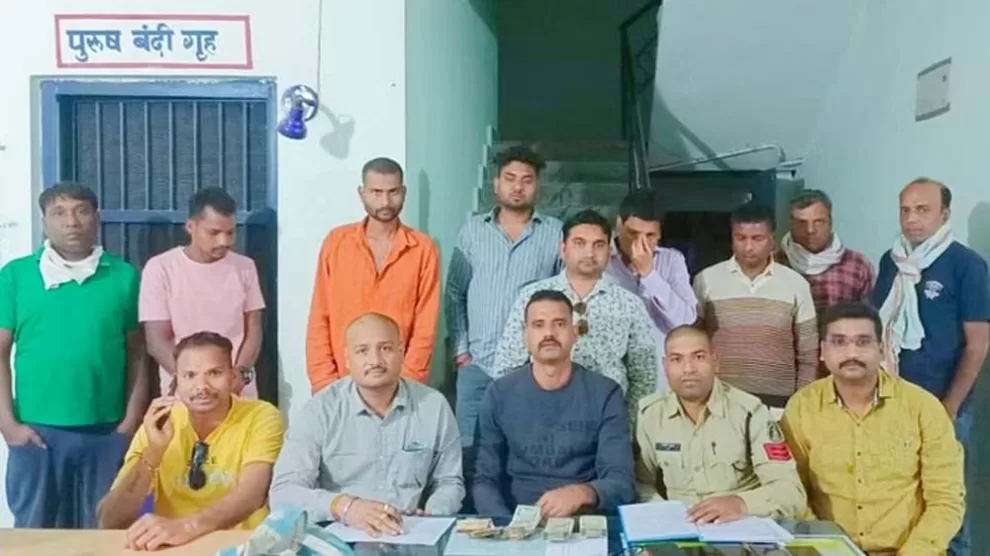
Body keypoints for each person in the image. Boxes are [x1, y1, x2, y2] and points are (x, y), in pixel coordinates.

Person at [0, 182, 146, 528]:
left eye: (81, 211)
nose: (72, 222)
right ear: (44, 222)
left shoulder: (123, 276)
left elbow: (138, 353)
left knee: (104, 532)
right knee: (36, 535)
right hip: (37, 433)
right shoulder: (17, 275)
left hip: (106, 433)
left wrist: (129, 423)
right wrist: (8, 425)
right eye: (59, 213)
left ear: (96, 217)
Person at [782, 302, 963, 554]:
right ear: (822, 351)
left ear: (881, 349)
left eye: (863, 342)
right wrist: (827, 549)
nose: (851, 353)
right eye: (839, 342)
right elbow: (792, 491)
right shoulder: (802, 407)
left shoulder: (923, 408)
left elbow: (946, 501)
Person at [870, 178, 989, 555]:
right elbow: (878, 327)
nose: (911, 219)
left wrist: (950, 405)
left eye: (922, 210)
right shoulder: (891, 261)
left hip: (943, 401)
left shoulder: (966, 265)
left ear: (945, 214)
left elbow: (978, 344)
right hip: (893, 400)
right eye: (905, 210)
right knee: (897, 496)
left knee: (947, 501)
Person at [445, 145, 562, 512]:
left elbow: (562, 297)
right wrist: (461, 350)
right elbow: (455, 292)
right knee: (470, 450)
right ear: (496, 184)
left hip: (529, 369)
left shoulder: (554, 233)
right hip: (477, 364)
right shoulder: (472, 231)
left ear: (537, 186)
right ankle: (474, 524)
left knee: (524, 450)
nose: (518, 187)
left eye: (527, 180)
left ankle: (521, 521)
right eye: (510, 179)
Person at [271, 312, 463, 534]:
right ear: (347, 358)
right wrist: (345, 507)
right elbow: (283, 493)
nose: (375, 361)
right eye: (362, 351)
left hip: (409, 534)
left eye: (386, 348)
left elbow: (449, 482)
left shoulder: (433, 407)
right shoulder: (320, 411)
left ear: (401, 352)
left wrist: (433, 515)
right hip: (339, 536)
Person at [97, 332, 284, 551]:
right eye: (190, 375)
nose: (201, 386)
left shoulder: (261, 416)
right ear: (176, 379)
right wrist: (153, 453)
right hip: (173, 547)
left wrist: (187, 527)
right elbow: (110, 519)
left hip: (241, 546)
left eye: (214, 373)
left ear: (233, 376)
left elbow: (251, 495)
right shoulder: (160, 420)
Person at [474, 290, 635, 517]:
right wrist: (506, 526)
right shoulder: (499, 394)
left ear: (574, 333)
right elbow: (484, 479)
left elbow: (621, 482)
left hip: (583, 523)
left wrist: (583, 492)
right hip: (513, 521)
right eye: (538, 325)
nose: (549, 333)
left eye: (559, 324)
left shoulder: (606, 394)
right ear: (525, 336)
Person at [494, 209, 657, 420]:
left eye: (598, 245)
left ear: (609, 251)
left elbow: (644, 376)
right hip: (541, 414)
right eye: (580, 243)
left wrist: (627, 424)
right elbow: (507, 366)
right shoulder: (532, 297)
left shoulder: (629, 304)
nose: (589, 253)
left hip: (606, 418)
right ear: (562, 249)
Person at [635, 326, 806, 523]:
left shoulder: (750, 412)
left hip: (741, 527)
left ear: (715, 361)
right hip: (680, 528)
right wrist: (663, 513)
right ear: (665, 366)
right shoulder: (650, 414)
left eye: (699, 357)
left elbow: (791, 492)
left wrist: (741, 504)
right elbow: (641, 483)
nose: (688, 368)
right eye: (676, 359)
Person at [306, 158, 440, 392]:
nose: (385, 201)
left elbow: (425, 327)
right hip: (339, 383)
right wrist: (324, 384)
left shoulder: (422, 249)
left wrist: (407, 384)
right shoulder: (337, 242)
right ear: (362, 193)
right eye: (376, 192)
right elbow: (320, 316)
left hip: (399, 384)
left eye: (393, 192)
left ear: (404, 192)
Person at [140, 187, 266, 399]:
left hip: (238, 392)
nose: (224, 241)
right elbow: (156, 340)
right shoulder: (161, 268)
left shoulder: (245, 267)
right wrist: (193, 381)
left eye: (230, 232)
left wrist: (240, 373)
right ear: (191, 226)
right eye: (214, 233)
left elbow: (253, 329)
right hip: (186, 396)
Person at [694, 202, 818, 409]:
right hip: (719, 401)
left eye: (757, 238)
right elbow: (694, 343)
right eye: (741, 238)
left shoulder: (796, 284)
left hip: (777, 405)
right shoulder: (706, 280)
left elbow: (808, 354)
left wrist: (800, 405)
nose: (748, 247)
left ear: (772, 239)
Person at [607, 189, 697, 392]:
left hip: (658, 376)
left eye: (650, 236)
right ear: (619, 225)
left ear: (660, 234)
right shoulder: (601, 259)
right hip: (612, 373)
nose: (641, 243)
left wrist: (650, 275)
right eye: (633, 234)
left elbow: (685, 320)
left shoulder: (671, 260)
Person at [777, 189, 874, 314]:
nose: (810, 230)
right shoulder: (774, 263)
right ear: (790, 224)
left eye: (818, 222)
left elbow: (871, 317)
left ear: (830, 222)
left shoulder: (858, 265)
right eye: (802, 223)